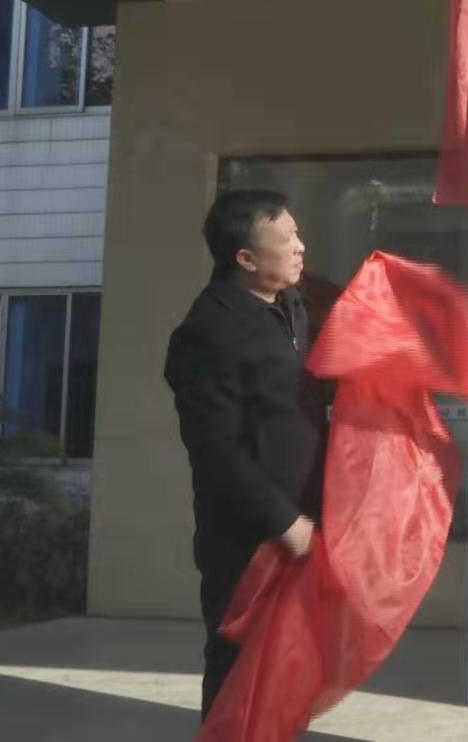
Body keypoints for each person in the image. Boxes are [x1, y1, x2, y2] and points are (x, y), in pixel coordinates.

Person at [164, 189, 329, 719]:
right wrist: (285, 522)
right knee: (241, 669)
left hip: (307, 520)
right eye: (287, 239)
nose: (300, 247)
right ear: (246, 258)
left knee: (291, 667)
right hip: (249, 539)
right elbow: (215, 449)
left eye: (298, 233)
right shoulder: (208, 332)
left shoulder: (292, 303)